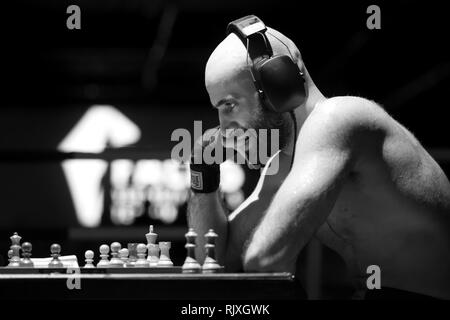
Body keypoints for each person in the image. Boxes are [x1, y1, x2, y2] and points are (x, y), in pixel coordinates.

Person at [187, 16, 450, 299]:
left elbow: (264, 259)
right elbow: (216, 264)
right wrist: (203, 172)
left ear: (278, 81)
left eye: (229, 105)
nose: (223, 126)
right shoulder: (286, 163)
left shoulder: (340, 118)